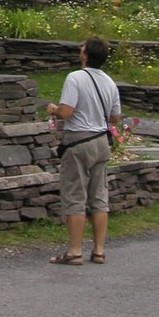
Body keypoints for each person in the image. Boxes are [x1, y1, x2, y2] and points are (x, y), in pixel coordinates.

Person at [46, 36, 122, 265]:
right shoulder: (110, 82)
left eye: (82, 48)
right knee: (99, 196)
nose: (80, 50)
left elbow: (66, 112)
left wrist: (53, 110)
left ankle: (75, 251)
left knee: (75, 195)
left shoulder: (75, 78)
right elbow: (115, 118)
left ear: (85, 55)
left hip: (79, 141)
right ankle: (99, 250)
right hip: (101, 141)